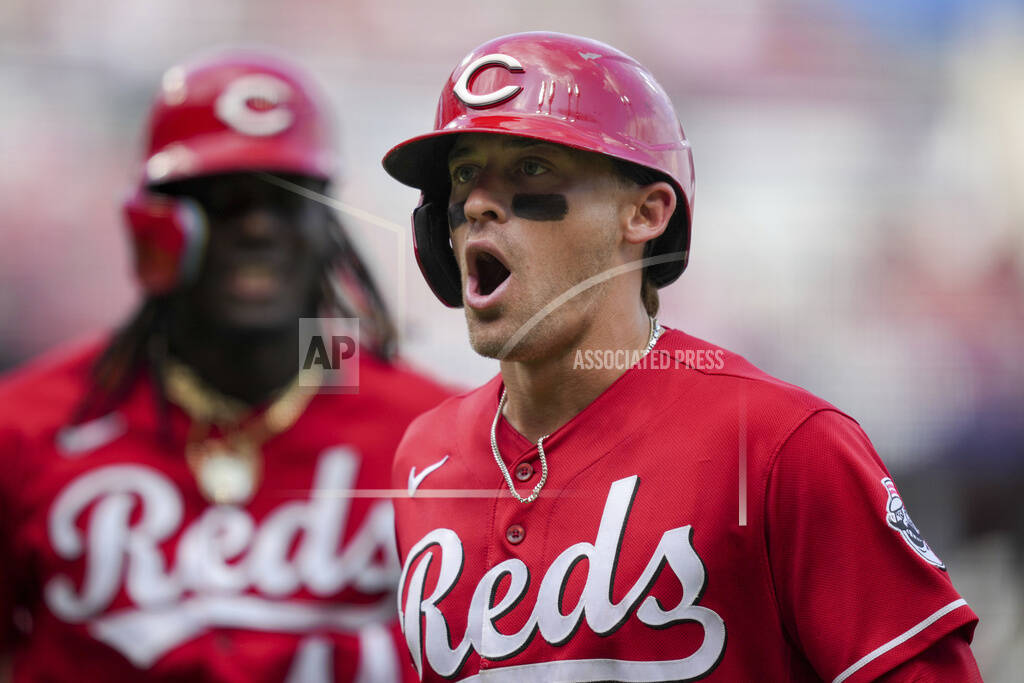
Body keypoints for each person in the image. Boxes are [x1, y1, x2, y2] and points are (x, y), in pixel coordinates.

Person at [381, 32, 982, 682]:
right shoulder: (425, 457)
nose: (475, 203)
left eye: (531, 167)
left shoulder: (780, 446)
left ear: (647, 212)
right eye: (465, 173)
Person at [0, 50, 451, 682]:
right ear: (149, 227)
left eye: (285, 199)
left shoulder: (435, 436)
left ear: (327, 225)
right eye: (221, 201)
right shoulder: (26, 427)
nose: (258, 228)